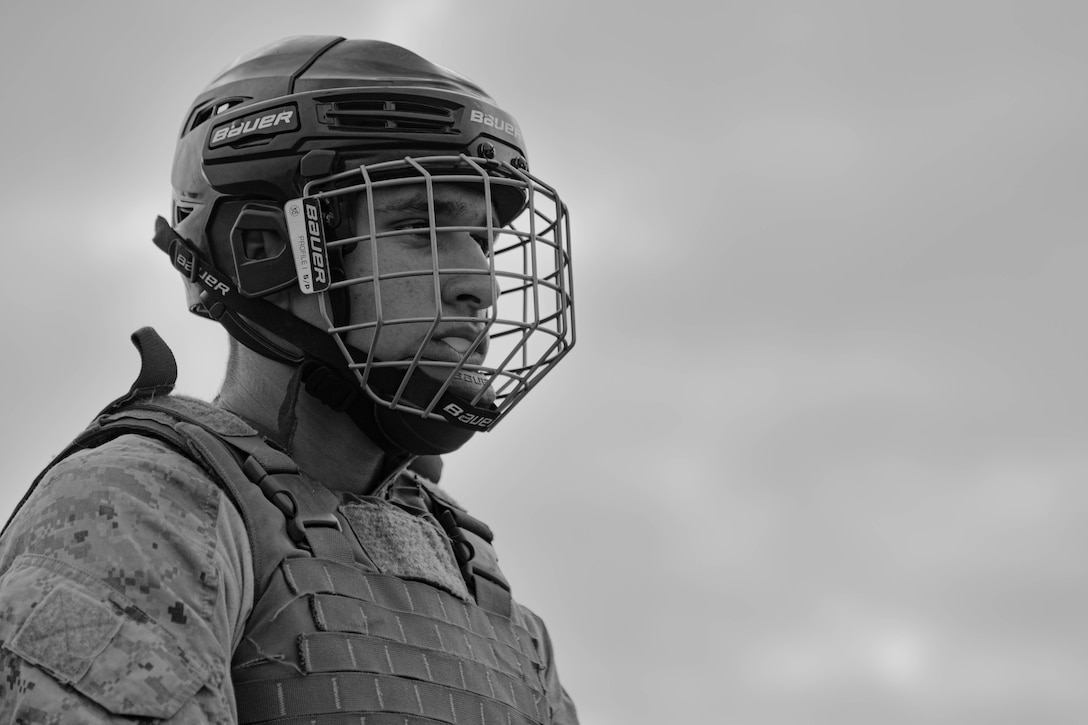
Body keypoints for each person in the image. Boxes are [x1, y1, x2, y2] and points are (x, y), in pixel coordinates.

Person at [0, 36, 578, 724]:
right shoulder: (145, 507)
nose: (479, 282)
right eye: (421, 227)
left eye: (484, 240)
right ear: (263, 250)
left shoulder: (488, 594)